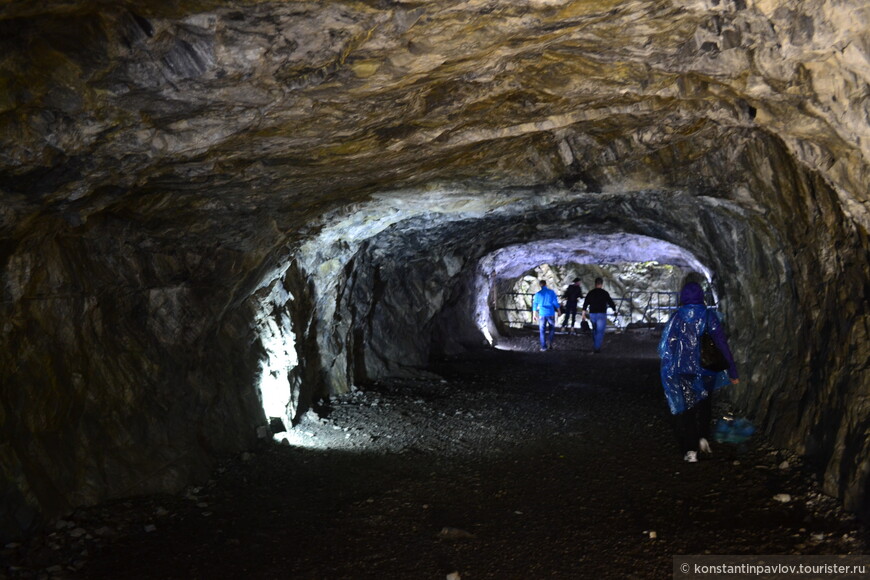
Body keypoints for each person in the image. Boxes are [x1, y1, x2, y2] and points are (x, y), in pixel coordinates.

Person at [658, 281, 740, 463]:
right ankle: (703, 438)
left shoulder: (676, 319)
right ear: (701, 296)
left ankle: (691, 450)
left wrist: (668, 371)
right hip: (707, 370)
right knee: (704, 405)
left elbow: (668, 347)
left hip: (684, 371)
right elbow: (722, 345)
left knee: (688, 410)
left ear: (683, 297)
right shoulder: (709, 316)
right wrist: (733, 372)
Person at [581, 277, 616, 353]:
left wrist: (583, 314)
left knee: (594, 330)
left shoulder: (590, 293)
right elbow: (611, 302)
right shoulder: (604, 293)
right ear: (601, 284)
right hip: (601, 314)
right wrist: (614, 310)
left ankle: (596, 344)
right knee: (600, 331)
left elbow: (585, 304)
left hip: (592, 314)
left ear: (595, 284)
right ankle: (597, 347)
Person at [532, 280, 561, 351]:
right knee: (551, 329)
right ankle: (550, 344)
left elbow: (535, 305)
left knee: (542, 331)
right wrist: (559, 311)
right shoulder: (551, 292)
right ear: (546, 284)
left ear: (540, 285)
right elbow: (555, 302)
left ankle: (543, 347)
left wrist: (534, 315)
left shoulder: (538, 294)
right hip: (551, 313)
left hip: (542, 314)